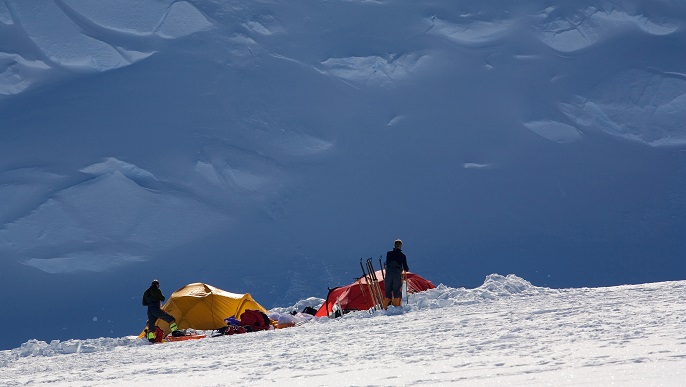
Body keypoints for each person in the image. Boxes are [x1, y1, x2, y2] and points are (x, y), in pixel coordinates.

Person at [383, 239, 409, 309]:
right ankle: (396, 307)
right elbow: (406, 267)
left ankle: (386, 307)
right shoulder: (402, 256)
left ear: (394, 245)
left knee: (388, 290)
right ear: (401, 246)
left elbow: (387, 263)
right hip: (397, 274)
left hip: (388, 273)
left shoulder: (389, 253)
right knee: (396, 290)